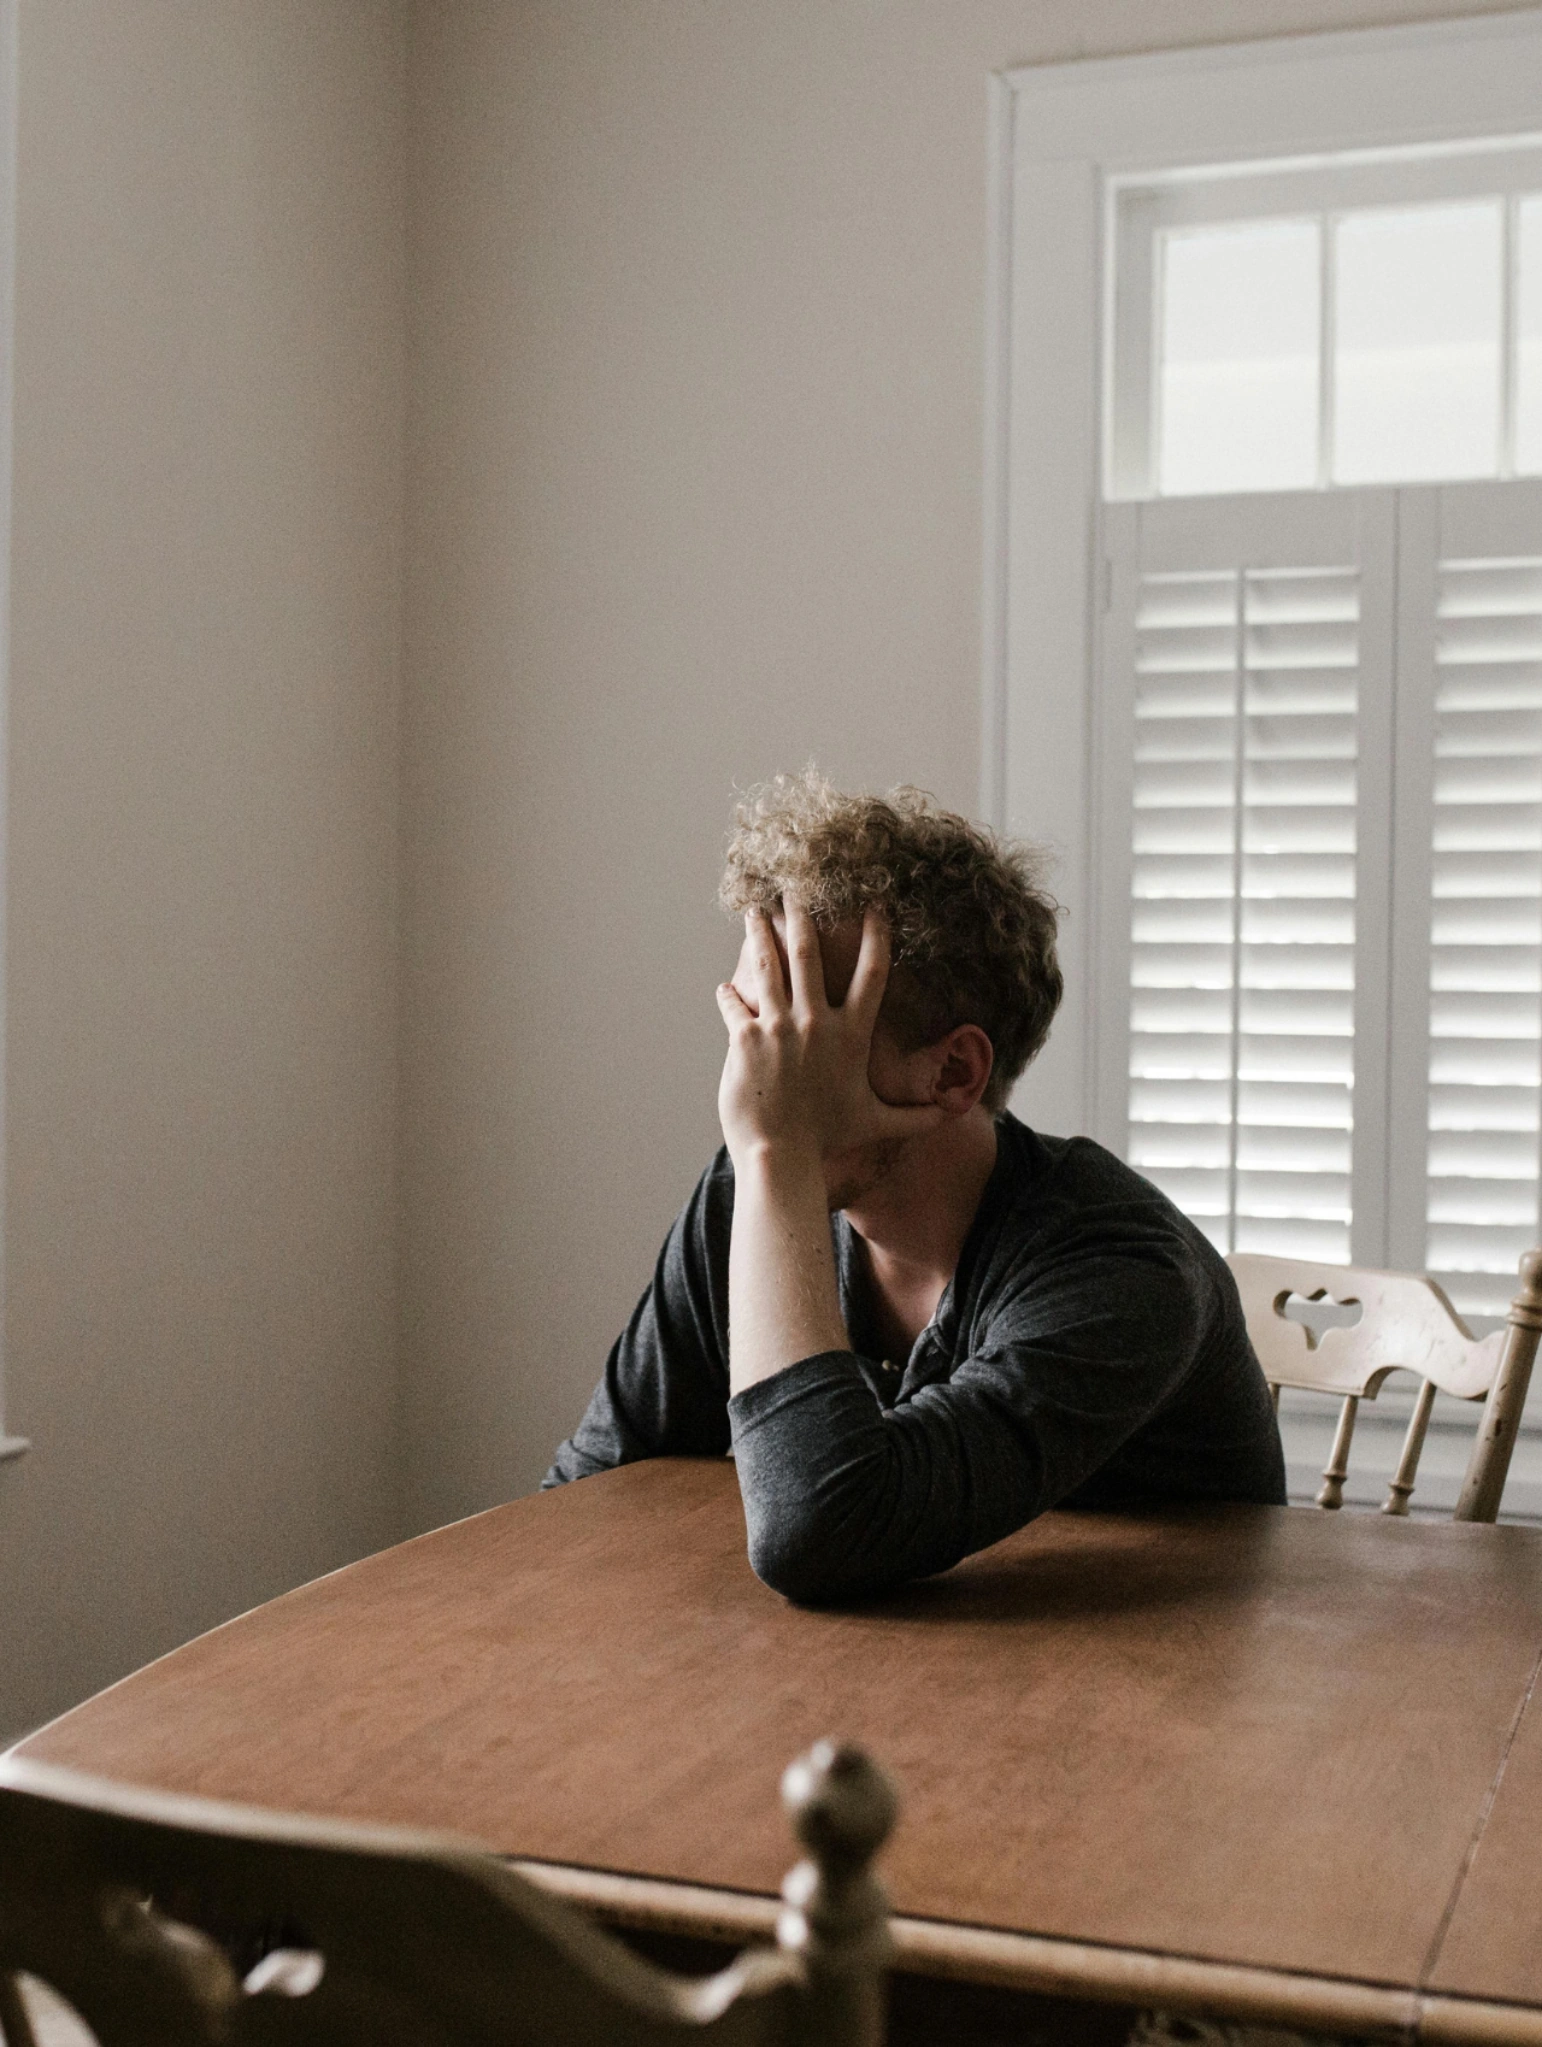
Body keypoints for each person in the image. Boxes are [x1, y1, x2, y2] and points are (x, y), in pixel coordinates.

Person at [545, 770, 1286, 1601]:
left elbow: (818, 1531)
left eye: (800, 1031)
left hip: (1159, 1693)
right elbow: (585, 1497)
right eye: (751, 1024)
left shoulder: (1122, 1270)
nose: (750, 1079)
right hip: (887, 1677)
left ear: (954, 1071)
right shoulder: (750, 1193)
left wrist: (779, 1155)